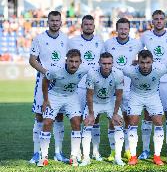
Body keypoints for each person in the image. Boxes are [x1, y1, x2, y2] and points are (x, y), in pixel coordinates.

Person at [139, 9, 167, 160]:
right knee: (148, 115)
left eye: (161, 18)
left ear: (165, 20)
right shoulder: (145, 36)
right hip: (149, 81)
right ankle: (145, 149)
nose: (158, 21)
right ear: (152, 21)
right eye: (155, 19)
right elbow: (136, 55)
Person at [29, 11, 69, 164]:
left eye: (57, 20)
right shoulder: (39, 38)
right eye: (52, 20)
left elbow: (70, 60)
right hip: (42, 81)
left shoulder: (66, 39)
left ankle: (58, 152)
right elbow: (32, 60)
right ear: (48, 21)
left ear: (61, 22)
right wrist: (45, 72)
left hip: (60, 84)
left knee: (58, 117)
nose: (54, 23)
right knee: (40, 116)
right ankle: (36, 153)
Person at [37, 49, 89, 167]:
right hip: (54, 96)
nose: (73, 64)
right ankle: (43, 157)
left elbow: (100, 69)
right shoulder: (56, 70)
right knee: (47, 123)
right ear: (66, 61)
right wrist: (45, 100)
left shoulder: (84, 69)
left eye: (76, 61)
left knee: (76, 122)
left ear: (81, 62)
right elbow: (45, 81)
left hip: (71, 97)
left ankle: (74, 156)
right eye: (71, 61)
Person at [104, 17, 143, 161]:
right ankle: (114, 151)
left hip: (130, 87)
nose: (123, 31)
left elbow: (143, 60)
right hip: (112, 88)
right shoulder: (108, 43)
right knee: (112, 118)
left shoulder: (137, 44)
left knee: (128, 118)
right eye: (120, 28)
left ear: (129, 30)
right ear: (116, 29)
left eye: (126, 29)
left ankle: (127, 150)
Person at [67, 14, 104, 161]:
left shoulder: (100, 42)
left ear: (94, 27)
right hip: (79, 87)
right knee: (77, 120)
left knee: (95, 119)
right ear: (81, 27)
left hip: (95, 86)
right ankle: (77, 152)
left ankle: (94, 151)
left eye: (91, 24)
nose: (88, 26)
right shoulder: (73, 42)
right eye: (86, 24)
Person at [123, 50, 167, 166]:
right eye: (142, 62)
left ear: (152, 61)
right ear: (138, 62)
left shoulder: (160, 69)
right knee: (132, 122)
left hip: (153, 96)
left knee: (158, 122)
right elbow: (117, 70)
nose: (145, 66)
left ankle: (157, 156)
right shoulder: (130, 70)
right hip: (136, 96)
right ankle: (133, 156)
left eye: (148, 62)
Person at [80, 52, 125, 166]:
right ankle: (86, 158)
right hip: (95, 102)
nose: (106, 66)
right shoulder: (92, 73)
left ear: (112, 63)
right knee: (87, 125)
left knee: (118, 124)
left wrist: (115, 114)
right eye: (104, 63)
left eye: (109, 63)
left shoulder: (118, 74)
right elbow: (89, 95)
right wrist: (91, 114)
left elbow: (119, 95)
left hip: (110, 102)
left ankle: (118, 158)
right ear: (99, 63)